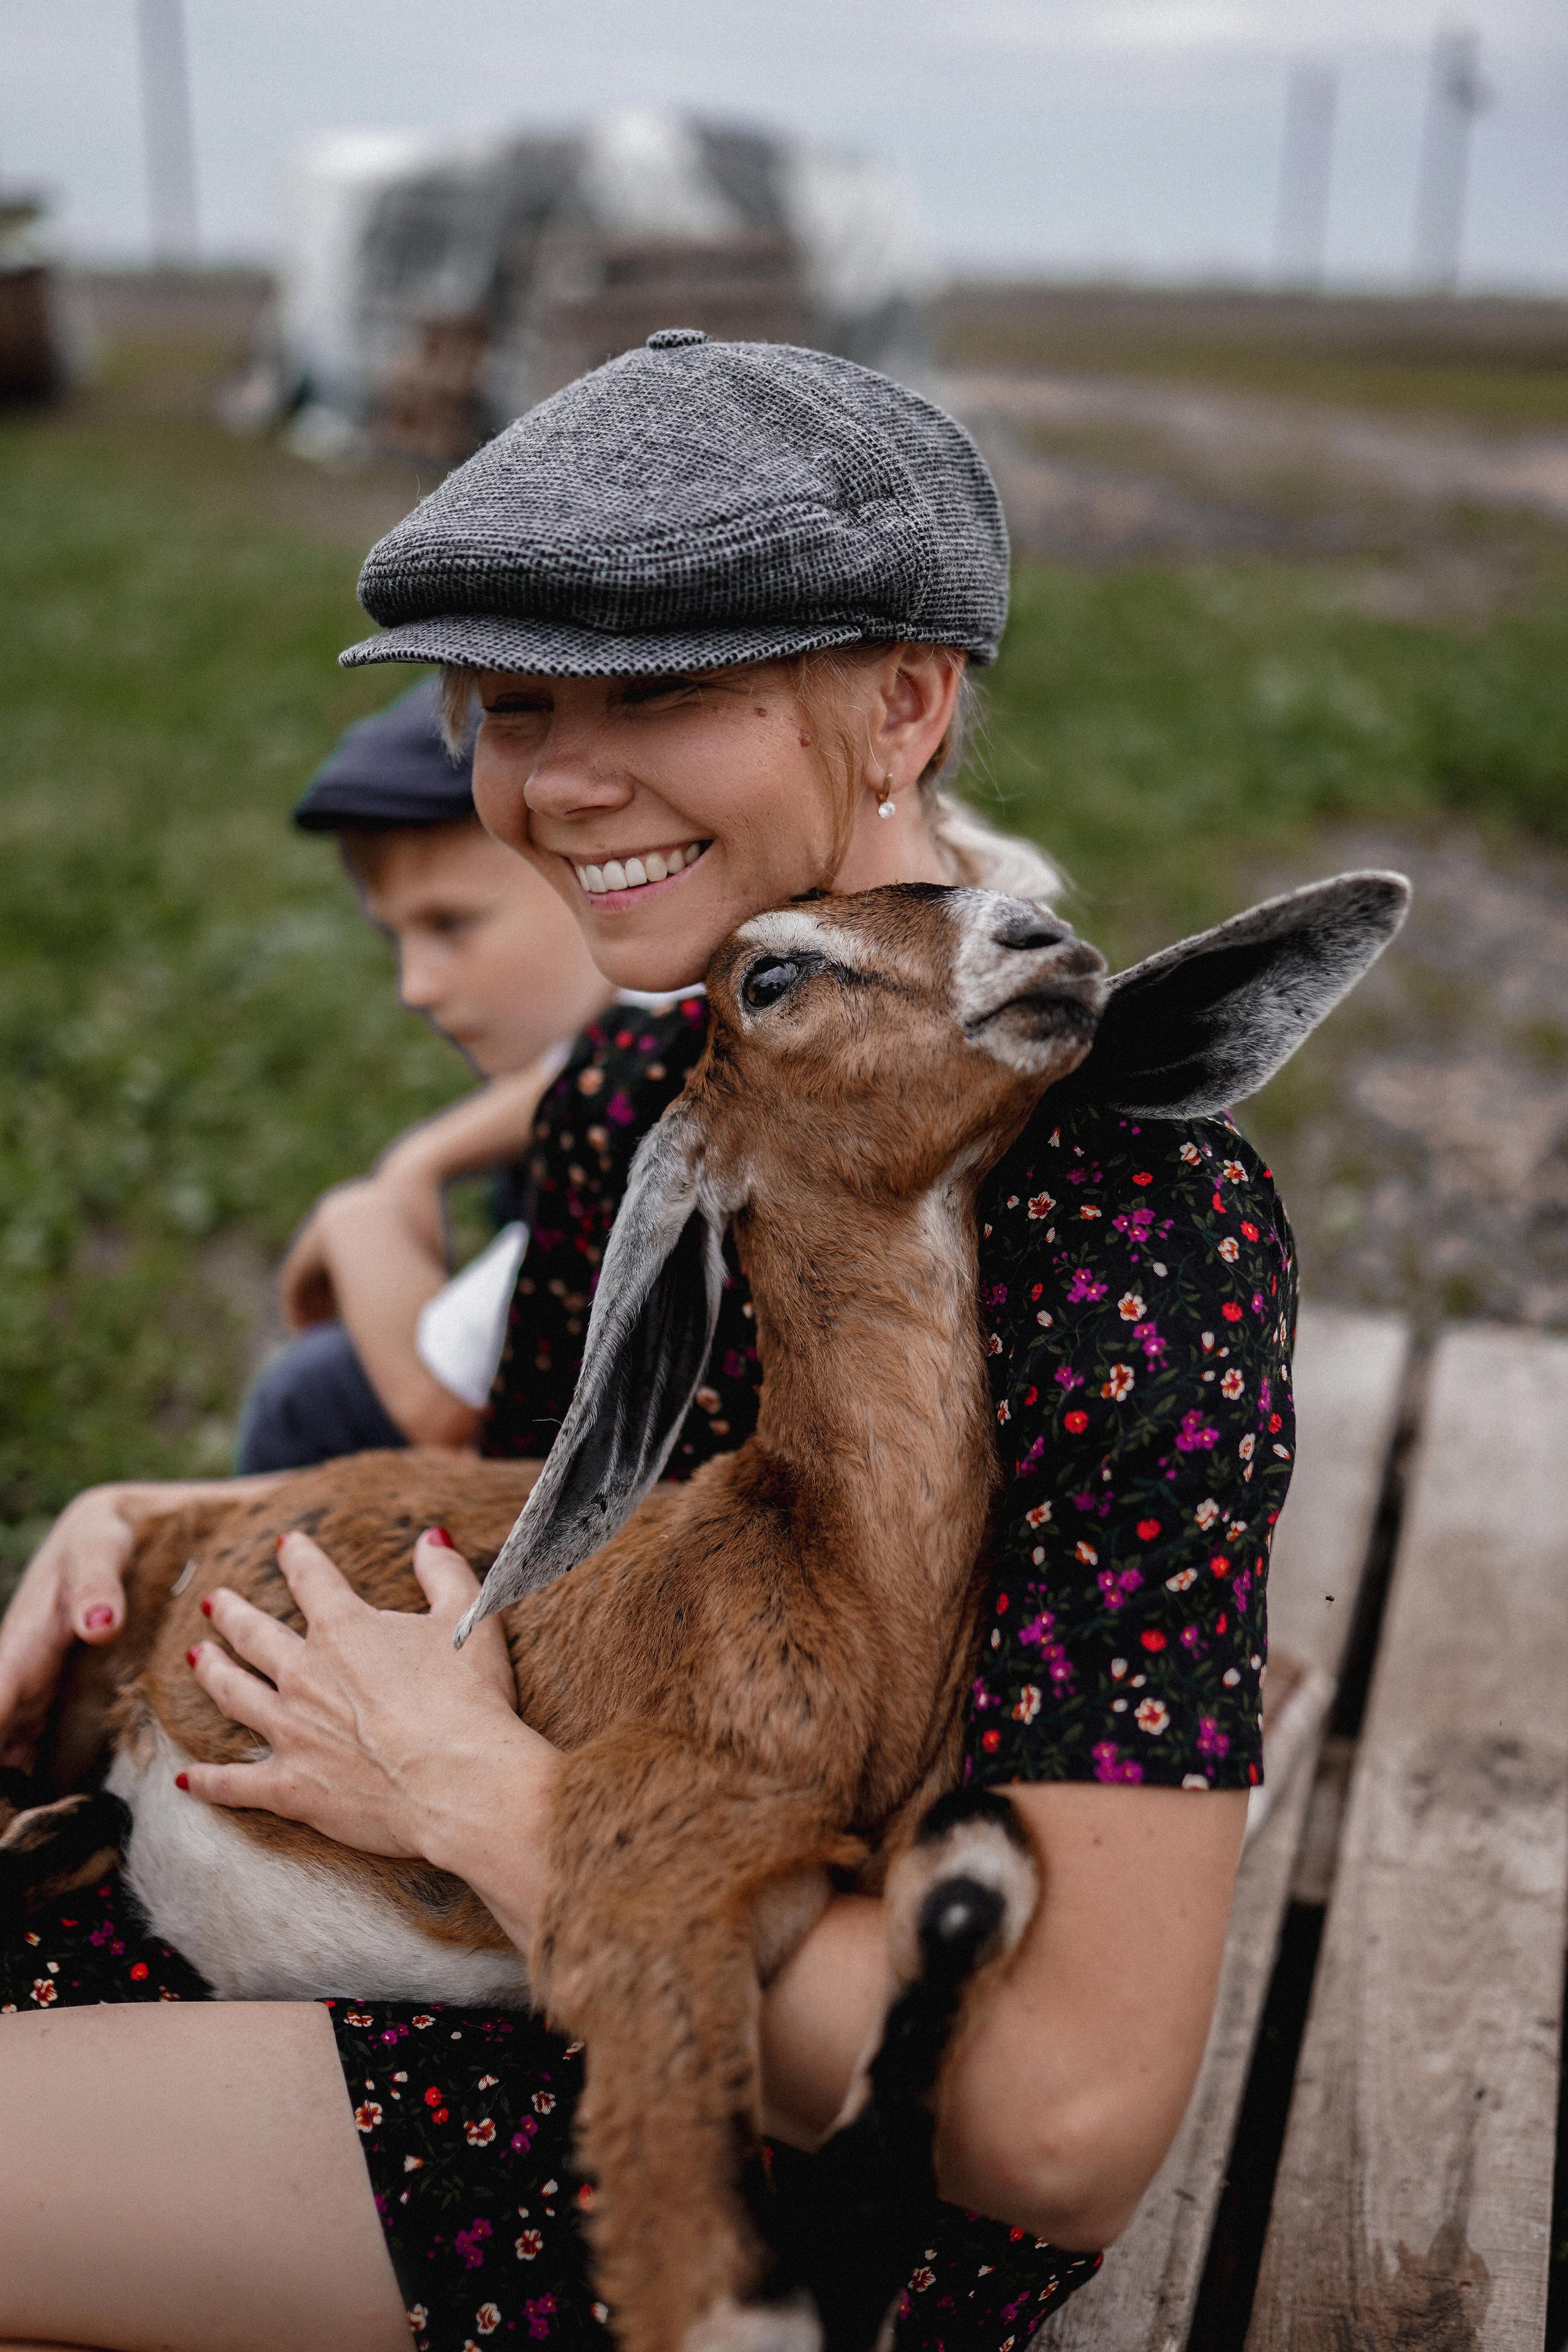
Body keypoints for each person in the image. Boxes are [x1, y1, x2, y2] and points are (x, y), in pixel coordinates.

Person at [0, 332, 1297, 2352]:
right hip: (461, 1937)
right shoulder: (650, 1074)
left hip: (782, 2151)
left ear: (905, 701)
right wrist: (159, 1511)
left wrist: (481, 1805)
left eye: (667, 688)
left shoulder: (1128, 1211)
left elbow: (1058, 2124)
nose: (560, 779)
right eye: (515, 703)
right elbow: (550, 1570)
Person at [238, 677, 618, 1469]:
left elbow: (443, 1411)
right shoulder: (698, 1007)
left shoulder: (635, 1126)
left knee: (314, 1395)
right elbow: (577, 1070)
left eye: (452, 924)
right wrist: (431, 1154)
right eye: (396, 939)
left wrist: (357, 1221)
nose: (416, 988)